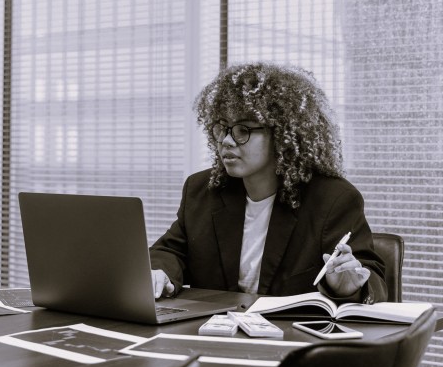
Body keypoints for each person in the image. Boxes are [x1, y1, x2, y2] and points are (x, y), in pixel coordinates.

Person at [150, 62, 387, 305]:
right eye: (223, 128)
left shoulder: (332, 199)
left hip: (292, 335)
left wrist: (347, 287)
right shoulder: (202, 190)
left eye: (243, 129)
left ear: (284, 135)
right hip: (213, 334)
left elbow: (373, 279)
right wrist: (160, 273)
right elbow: (170, 251)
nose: (227, 141)